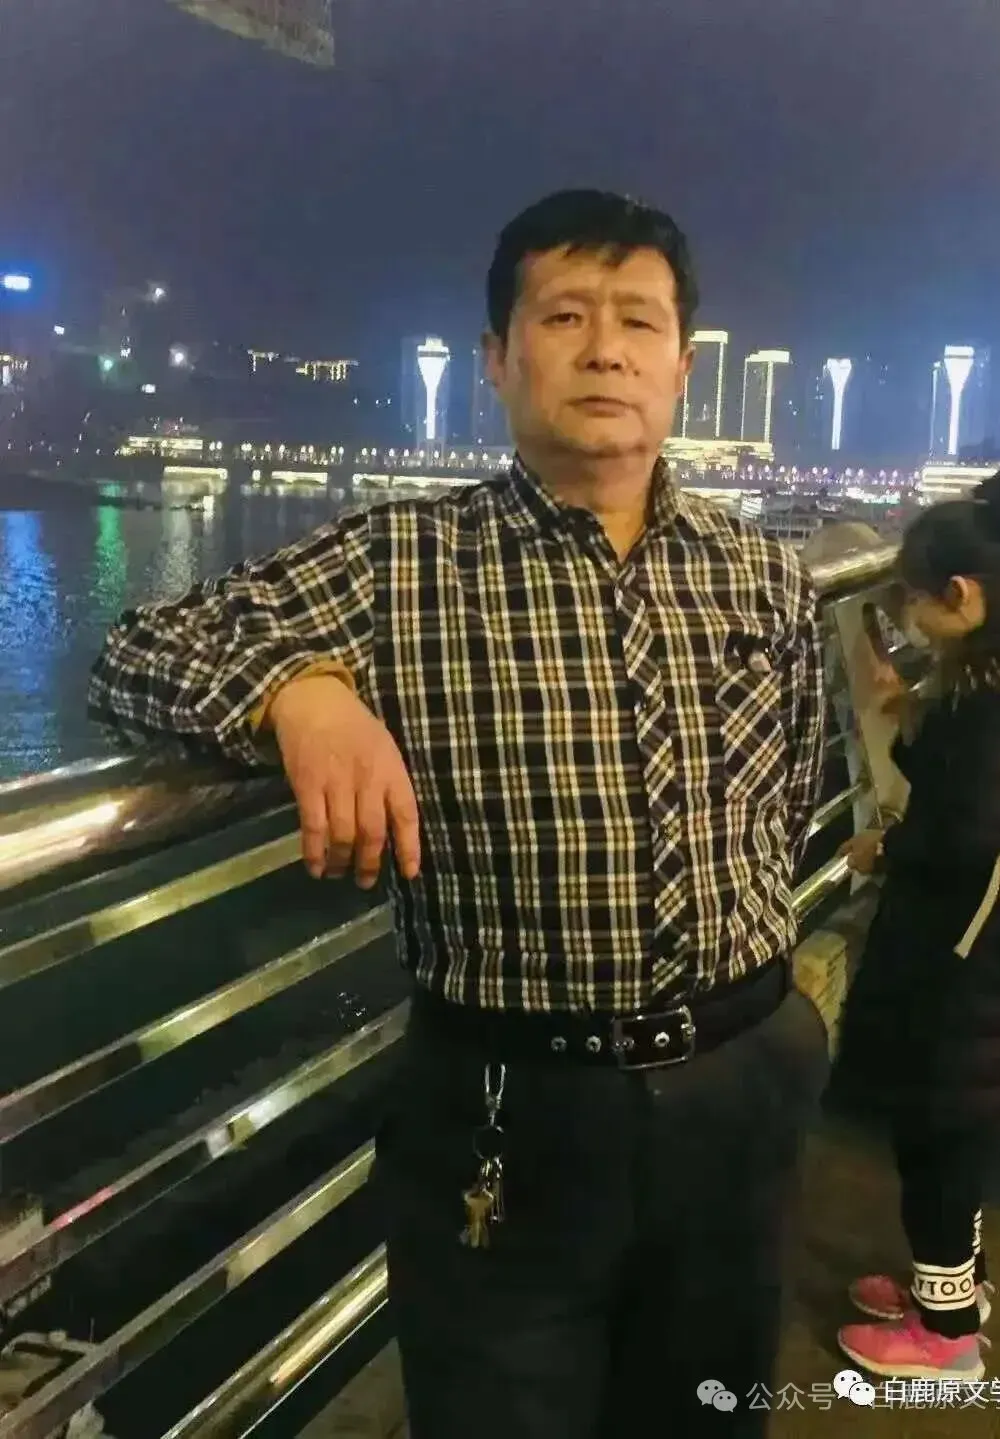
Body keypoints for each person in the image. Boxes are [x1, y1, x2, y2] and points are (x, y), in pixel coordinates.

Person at [87, 189, 829, 1437]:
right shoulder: (403, 559)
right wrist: (298, 689)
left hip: (745, 1073)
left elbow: (793, 791)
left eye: (639, 321)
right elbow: (136, 653)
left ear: (682, 366)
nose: (605, 349)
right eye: (566, 316)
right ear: (497, 357)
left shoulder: (763, 573)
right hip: (509, 1102)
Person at [833, 463, 1000, 1380]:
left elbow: (964, 834)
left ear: (963, 594)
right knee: (963, 1135)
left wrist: (885, 848)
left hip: (962, 962)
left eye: (913, 596)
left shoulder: (988, 704)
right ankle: (957, 1289)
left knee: (941, 1139)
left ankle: (946, 1341)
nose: (905, 613)